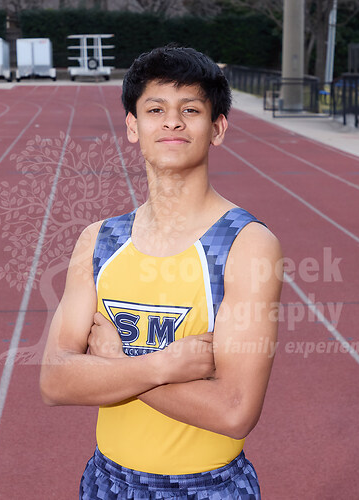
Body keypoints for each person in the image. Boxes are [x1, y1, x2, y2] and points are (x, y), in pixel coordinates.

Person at [40, 45, 283, 499]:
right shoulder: (99, 242)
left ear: (217, 128)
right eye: (155, 109)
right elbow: (54, 381)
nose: (172, 122)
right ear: (133, 126)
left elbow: (234, 411)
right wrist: (160, 366)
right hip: (108, 481)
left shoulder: (245, 245)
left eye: (190, 109)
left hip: (206, 487)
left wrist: (115, 363)